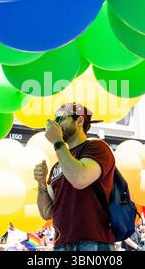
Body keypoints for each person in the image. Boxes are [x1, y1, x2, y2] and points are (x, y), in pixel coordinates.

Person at [34, 102, 116, 251]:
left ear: (79, 121)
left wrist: (58, 141)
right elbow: (47, 213)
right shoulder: (58, 164)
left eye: (60, 119)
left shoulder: (97, 147)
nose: (56, 124)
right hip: (62, 243)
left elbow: (80, 179)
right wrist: (41, 184)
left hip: (92, 240)